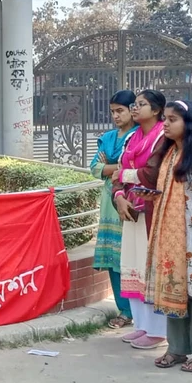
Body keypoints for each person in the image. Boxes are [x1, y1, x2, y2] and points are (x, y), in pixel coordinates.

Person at [146, 100, 192, 373]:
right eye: (164, 118)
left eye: (172, 119)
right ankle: (177, 348)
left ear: (189, 123)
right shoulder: (170, 153)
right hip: (170, 233)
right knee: (173, 286)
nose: (165, 124)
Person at [113, 89, 167, 350]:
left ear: (156, 110)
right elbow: (118, 173)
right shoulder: (132, 137)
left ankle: (158, 330)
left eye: (141, 104)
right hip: (131, 210)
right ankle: (142, 325)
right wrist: (119, 197)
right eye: (134, 104)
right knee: (133, 266)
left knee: (149, 268)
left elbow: (153, 173)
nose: (134, 108)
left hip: (152, 211)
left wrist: (125, 175)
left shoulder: (162, 137)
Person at [88, 90, 137, 328]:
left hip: (131, 200)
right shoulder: (107, 138)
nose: (116, 116)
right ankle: (123, 309)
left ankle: (136, 310)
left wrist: (111, 166)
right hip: (109, 203)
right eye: (113, 112)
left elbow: (132, 167)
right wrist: (115, 167)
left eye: (120, 111)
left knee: (131, 256)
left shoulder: (138, 136)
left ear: (132, 110)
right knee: (113, 258)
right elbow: (94, 167)